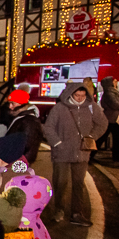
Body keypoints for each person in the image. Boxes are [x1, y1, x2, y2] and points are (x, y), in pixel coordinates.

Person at [42, 82, 107, 226]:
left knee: (79, 184)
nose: (79, 98)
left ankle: (77, 213)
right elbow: (49, 127)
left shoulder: (91, 107)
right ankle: (59, 210)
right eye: (77, 95)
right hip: (62, 153)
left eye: (82, 95)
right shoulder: (60, 108)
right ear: (71, 94)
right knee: (60, 182)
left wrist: (91, 137)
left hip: (82, 152)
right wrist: (58, 143)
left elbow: (102, 123)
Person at [2, 89, 43, 165]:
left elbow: (26, 144)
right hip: (17, 159)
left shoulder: (29, 121)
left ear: (21, 104)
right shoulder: (21, 118)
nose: (10, 107)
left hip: (19, 161)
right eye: (9, 103)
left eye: (12, 103)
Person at [97, 76, 119, 161]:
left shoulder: (112, 92)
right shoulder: (109, 93)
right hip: (111, 119)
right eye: (114, 81)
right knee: (103, 137)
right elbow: (115, 104)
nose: (116, 82)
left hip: (112, 118)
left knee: (112, 137)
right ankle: (90, 153)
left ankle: (116, 156)